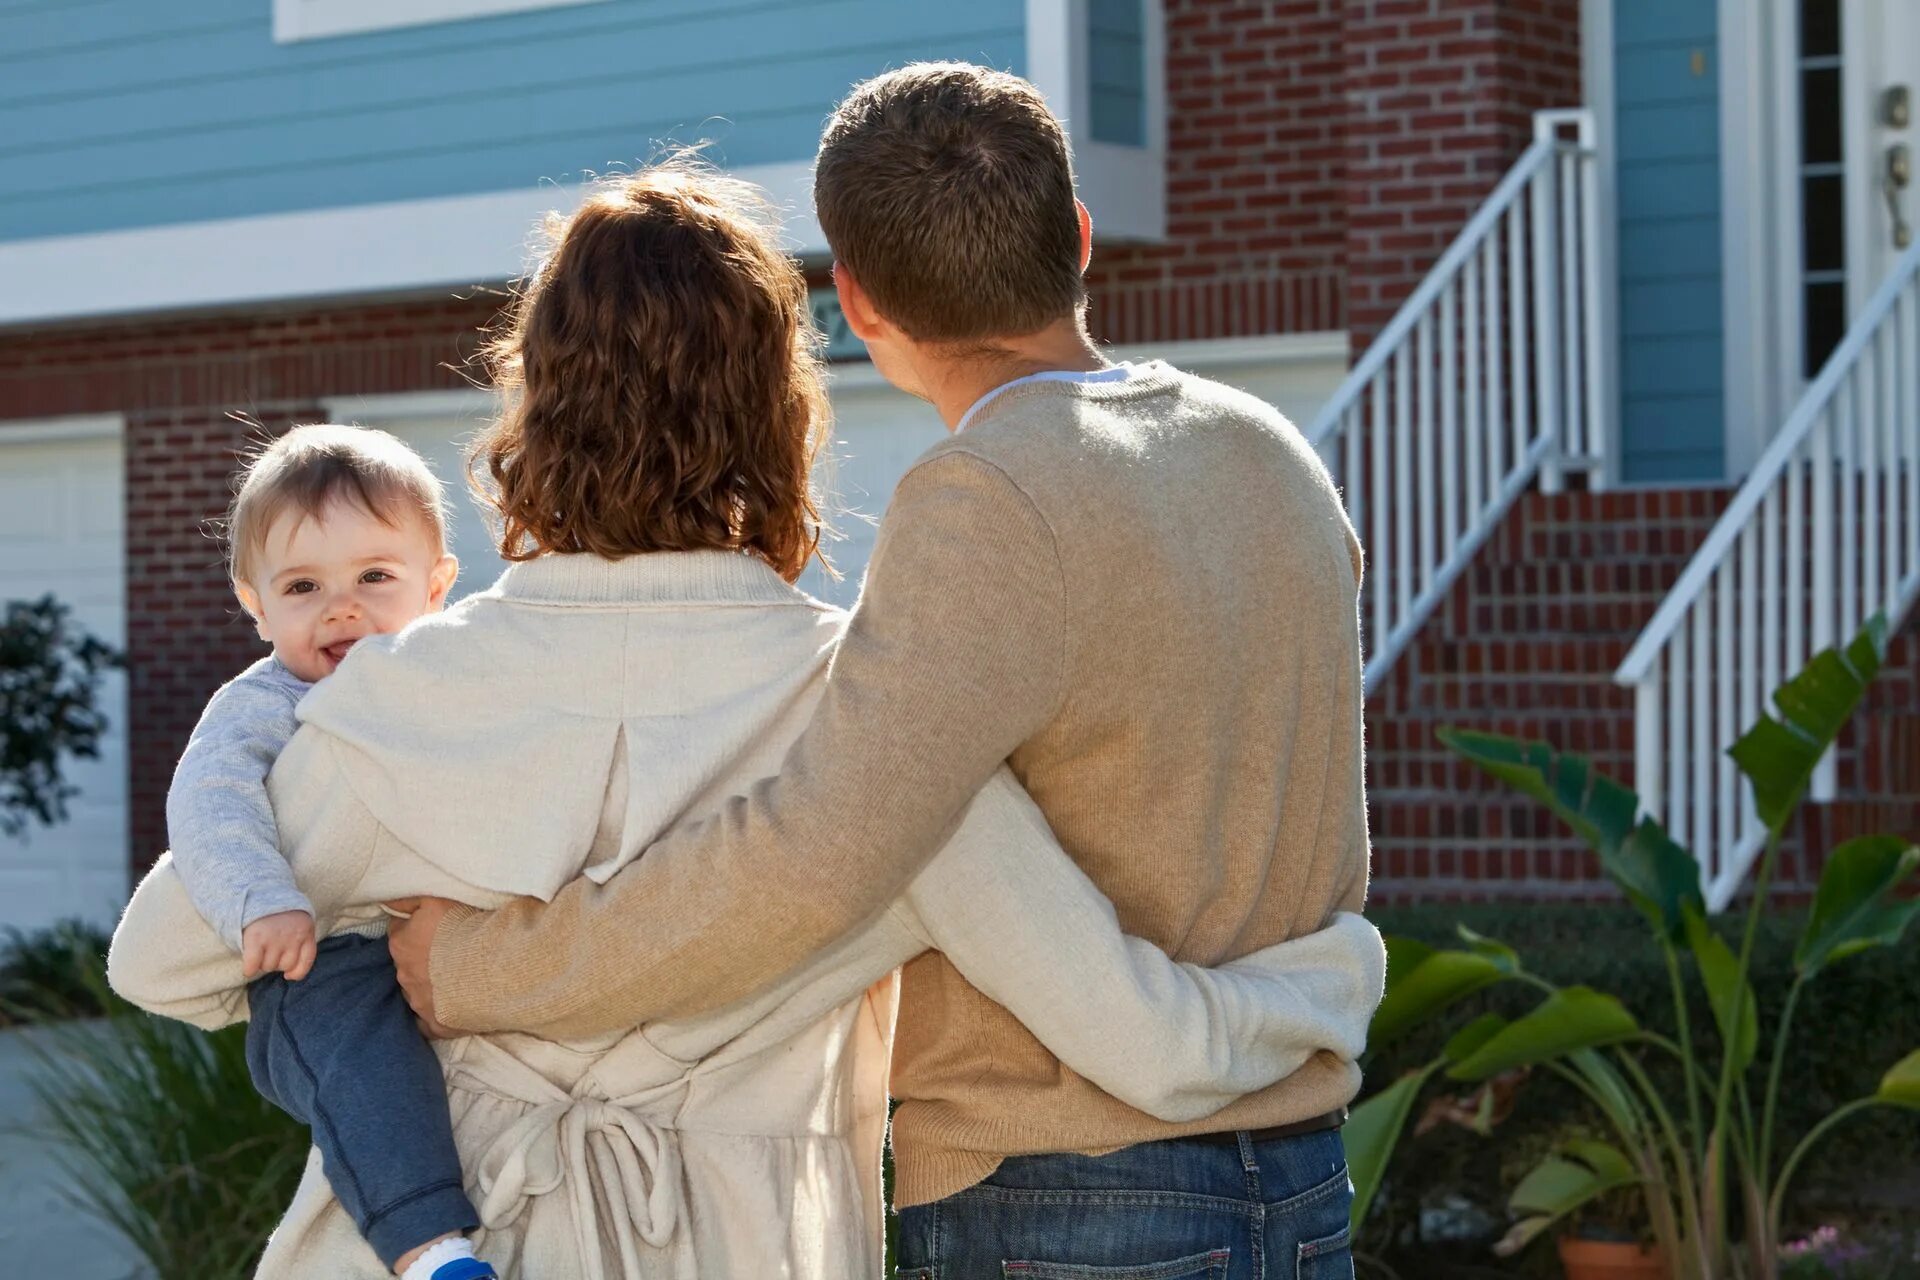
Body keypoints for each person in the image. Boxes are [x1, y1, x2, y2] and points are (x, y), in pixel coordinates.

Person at [108, 163, 1383, 1278]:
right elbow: (1148, 1043)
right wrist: (1334, 979)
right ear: (784, 411)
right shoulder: (873, 712)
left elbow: (161, 959)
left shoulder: (392, 704)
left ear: (531, 405)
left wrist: (368, 958)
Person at [158, 425, 485, 1280]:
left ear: (439, 585)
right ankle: (431, 1252)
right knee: (366, 1074)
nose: (342, 607)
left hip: (449, 941)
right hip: (323, 963)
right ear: (255, 604)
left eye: (375, 577)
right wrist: (260, 898)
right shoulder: (262, 705)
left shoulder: (453, 682)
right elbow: (208, 802)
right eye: (303, 586)